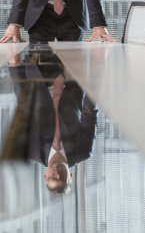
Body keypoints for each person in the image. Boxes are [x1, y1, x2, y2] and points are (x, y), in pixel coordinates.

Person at [8, 51, 98, 194]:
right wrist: (92, 70)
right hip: (72, 75)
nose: (57, 174)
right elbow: (89, 113)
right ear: (70, 176)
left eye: (52, 178)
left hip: (39, 73)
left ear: (45, 176)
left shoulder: (32, 150)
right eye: (62, 178)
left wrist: (15, 65)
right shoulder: (84, 151)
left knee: (40, 32)